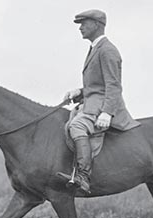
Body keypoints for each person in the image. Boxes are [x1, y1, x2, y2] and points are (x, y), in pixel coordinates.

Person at [59, 9, 140, 194]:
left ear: (96, 25)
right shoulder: (95, 49)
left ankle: (83, 176)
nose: (80, 28)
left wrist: (107, 112)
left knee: (78, 125)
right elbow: (97, 86)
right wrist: (78, 92)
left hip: (104, 107)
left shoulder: (107, 50)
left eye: (84, 23)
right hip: (92, 103)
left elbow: (113, 86)